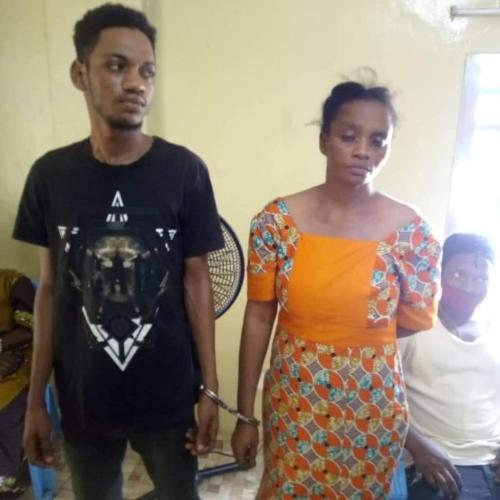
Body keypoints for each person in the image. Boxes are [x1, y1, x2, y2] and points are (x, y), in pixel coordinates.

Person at [12, 4, 223, 499]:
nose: (135, 83)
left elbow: (197, 279)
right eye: (116, 65)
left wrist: (210, 388)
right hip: (84, 398)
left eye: (147, 71)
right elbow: (49, 289)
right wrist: (36, 400)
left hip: (169, 396)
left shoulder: (185, 171)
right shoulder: (50, 176)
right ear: (79, 74)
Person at [231, 79, 441, 499]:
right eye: (349, 136)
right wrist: (245, 414)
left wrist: (355, 340)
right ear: (324, 140)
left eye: (378, 141)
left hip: (372, 408)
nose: (364, 151)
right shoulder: (276, 223)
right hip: (295, 402)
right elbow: (258, 317)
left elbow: (413, 319)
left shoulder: (412, 233)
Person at [400, 233, 500, 499]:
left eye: (481, 278)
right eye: (458, 274)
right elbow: (380, 397)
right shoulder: (413, 326)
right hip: (434, 464)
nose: (469, 287)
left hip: (491, 461)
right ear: (440, 274)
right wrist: (418, 448)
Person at [0, 270, 34, 497]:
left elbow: (29, 328)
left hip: (12, 362)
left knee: (4, 411)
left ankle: (6, 479)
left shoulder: (13, 282)